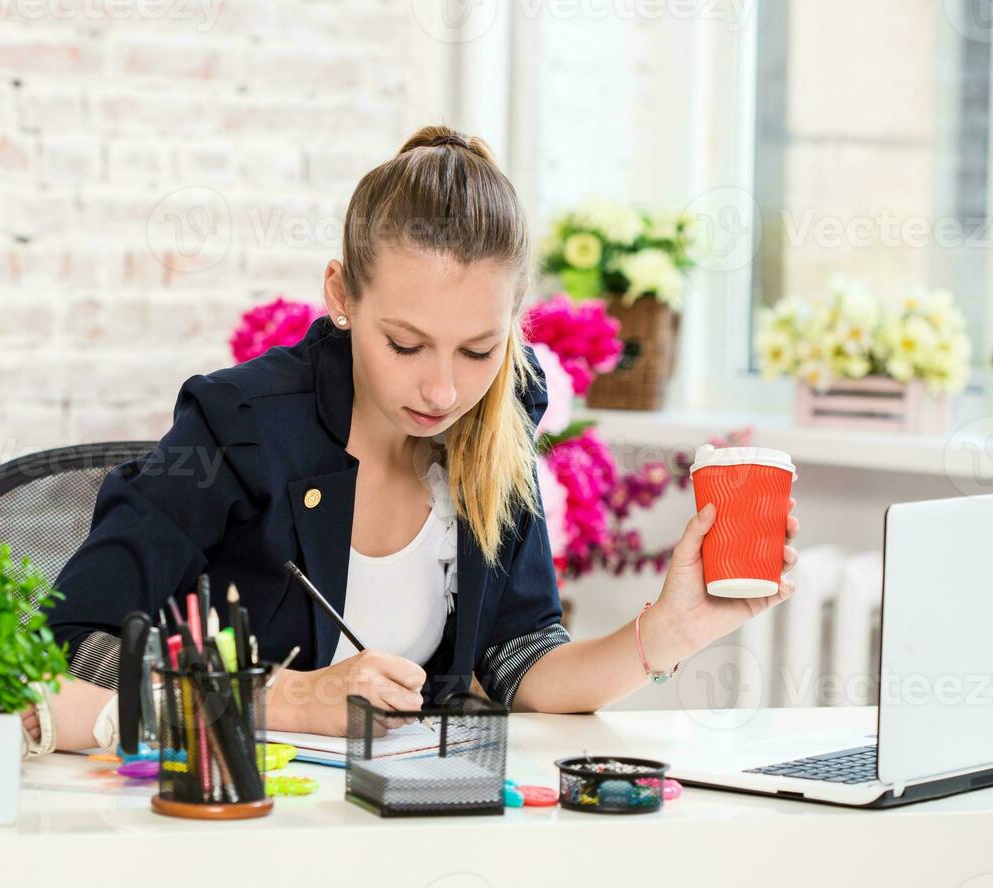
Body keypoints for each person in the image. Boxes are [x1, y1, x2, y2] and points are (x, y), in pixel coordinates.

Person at [41, 124, 799, 739]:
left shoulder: (501, 413)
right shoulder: (239, 424)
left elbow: (520, 660)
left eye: (478, 349)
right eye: (404, 345)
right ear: (340, 295)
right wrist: (285, 699)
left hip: (404, 823)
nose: (443, 389)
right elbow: (69, 649)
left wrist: (668, 631)